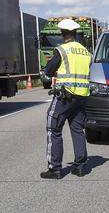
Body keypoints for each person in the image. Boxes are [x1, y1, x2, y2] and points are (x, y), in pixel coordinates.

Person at [39, 18, 92, 179]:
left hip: (64, 95)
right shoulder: (85, 51)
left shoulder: (61, 50)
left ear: (62, 34)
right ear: (75, 33)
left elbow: (48, 72)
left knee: (53, 128)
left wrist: (49, 73)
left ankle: (54, 168)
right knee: (77, 129)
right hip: (81, 97)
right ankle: (80, 166)